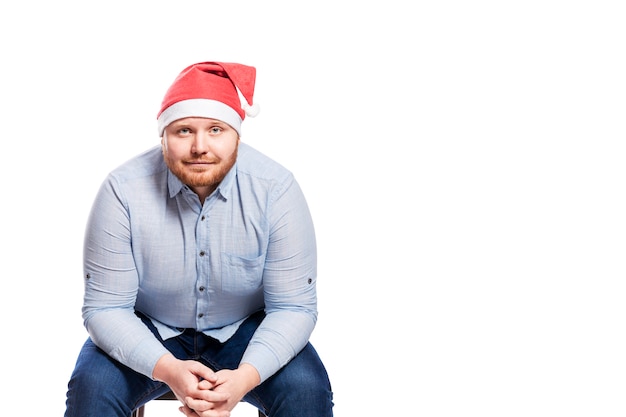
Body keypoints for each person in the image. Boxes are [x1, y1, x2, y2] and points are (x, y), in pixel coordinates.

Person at [64, 61, 334, 417]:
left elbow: (293, 308)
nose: (200, 147)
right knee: (91, 388)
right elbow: (106, 308)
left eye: (216, 129)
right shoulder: (122, 190)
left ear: (237, 134)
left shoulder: (277, 190)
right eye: (184, 131)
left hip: (246, 329)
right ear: (163, 137)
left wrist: (243, 379)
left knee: (306, 390)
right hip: (149, 326)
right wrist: (168, 369)